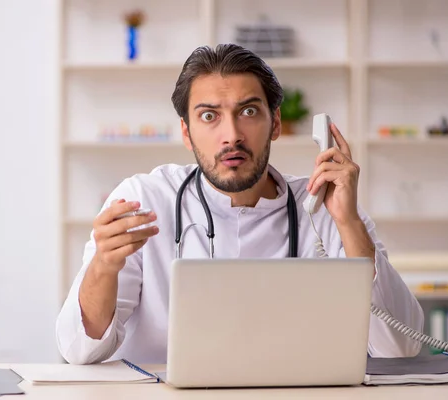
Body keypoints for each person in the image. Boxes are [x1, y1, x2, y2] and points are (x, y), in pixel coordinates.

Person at [55, 44, 424, 365]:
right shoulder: (145, 199)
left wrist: (348, 223)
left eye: (248, 112)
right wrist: (104, 266)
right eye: (209, 116)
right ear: (186, 132)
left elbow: (400, 348)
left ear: (275, 123)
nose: (231, 135)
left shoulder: (325, 206)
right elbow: (79, 350)